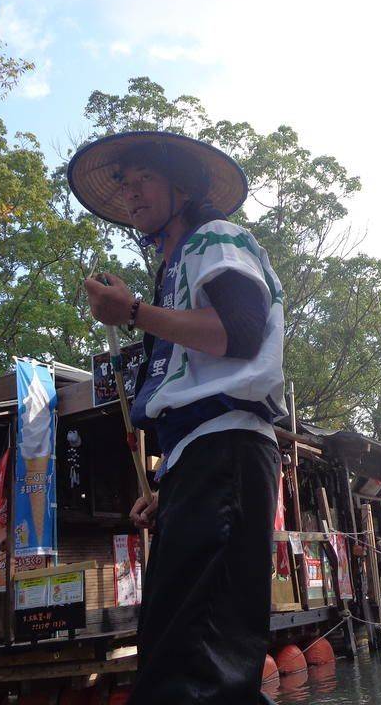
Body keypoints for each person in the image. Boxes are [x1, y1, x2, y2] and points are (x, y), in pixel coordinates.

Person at [70, 131, 286, 705]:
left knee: (197, 666)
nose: (132, 193)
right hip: (201, 460)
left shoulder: (214, 239)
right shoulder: (176, 266)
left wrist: (134, 312)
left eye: (145, 179)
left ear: (183, 188)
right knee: (176, 652)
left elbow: (236, 334)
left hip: (229, 450)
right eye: (125, 183)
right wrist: (170, 487)